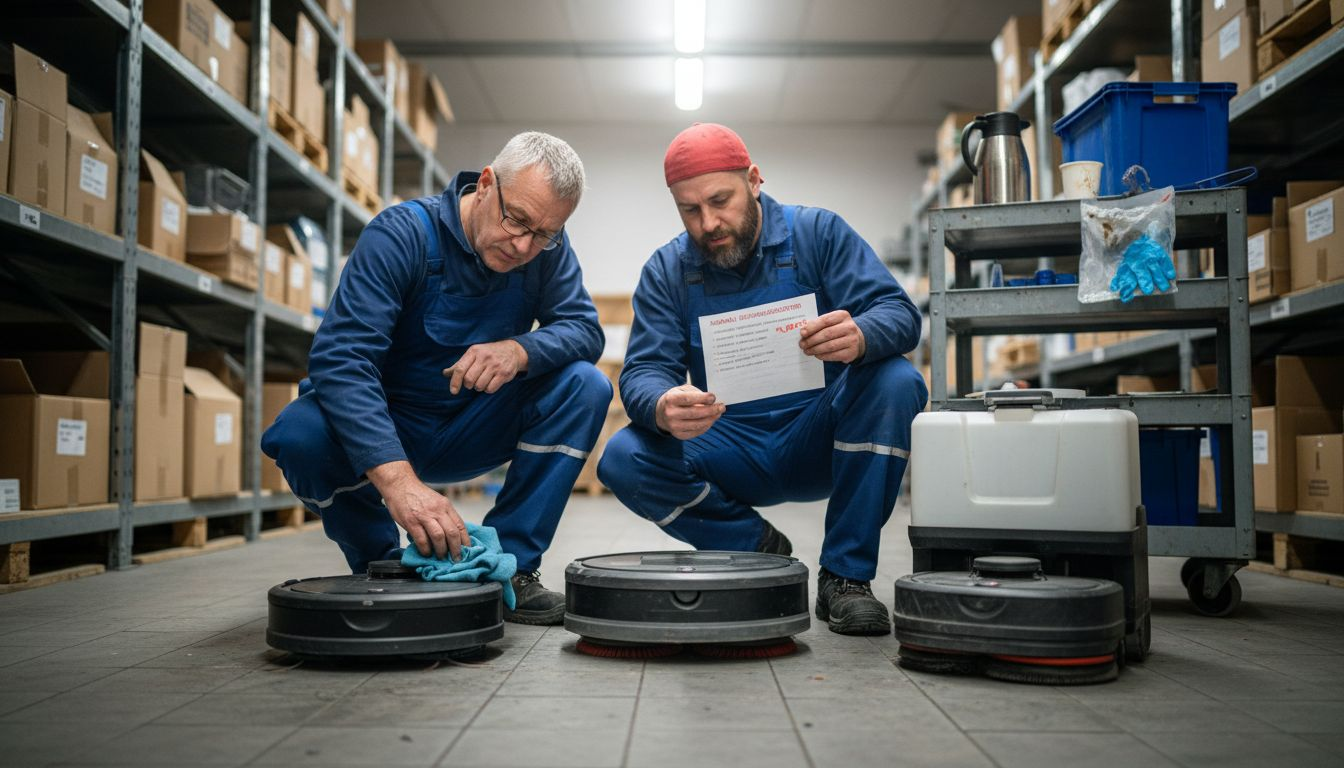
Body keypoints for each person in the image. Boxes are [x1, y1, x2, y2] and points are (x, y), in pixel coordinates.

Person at [263, 132, 611, 625]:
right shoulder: (402, 235)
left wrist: (520, 350)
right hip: (386, 430)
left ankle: (510, 569)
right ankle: (381, 564)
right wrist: (399, 482)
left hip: (474, 426)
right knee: (299, 433)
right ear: (486, 184)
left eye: (544, 234)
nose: (523, 244)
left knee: (585, 386)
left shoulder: (545, 246)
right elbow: (341, 359)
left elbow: (583, 329)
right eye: (517, 221)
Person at [597, 123, 926, 635]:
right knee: (622, 457)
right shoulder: (666, 270)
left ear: (754, 180)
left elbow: (900, 313)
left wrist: (863, 334)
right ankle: (753, 545)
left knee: (895, 381)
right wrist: (663, 404)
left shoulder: (819, 233)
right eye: (690, 210)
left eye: (720, 200)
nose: (708, 222)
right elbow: (644, 370)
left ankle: (845, 578)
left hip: (821, 433)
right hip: (729, 441)